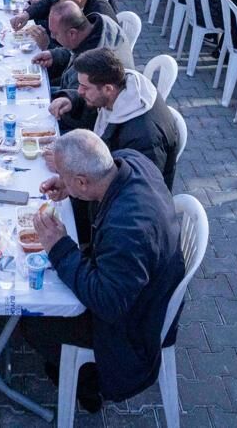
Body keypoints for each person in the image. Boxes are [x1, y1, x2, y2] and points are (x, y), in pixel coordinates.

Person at [23, 131, 185, 413]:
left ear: (83, 180)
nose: (58, 176)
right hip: (143, 282)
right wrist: (68, 186)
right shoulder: (129, 161)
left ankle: (87, 384)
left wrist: (59, 247)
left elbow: (108, 302)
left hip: (135, 323)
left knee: (33, 320)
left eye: (62, 173)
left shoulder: (127, 231)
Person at [50, 49, 180, 188]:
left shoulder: (143, 137)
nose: (80, 91)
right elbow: (96, 99)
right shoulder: (121, 86)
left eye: (84, 87)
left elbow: (132, 188)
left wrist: (68, 169)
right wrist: (72, 101)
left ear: (108, 89)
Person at [33, 0, 113, 86]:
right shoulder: (98, 26)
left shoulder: (91, 64)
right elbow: (76, 49)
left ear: (72, 33)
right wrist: (54, 55)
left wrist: (47, 46)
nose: (52, 36)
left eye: (55, 33)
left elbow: (77, 95)